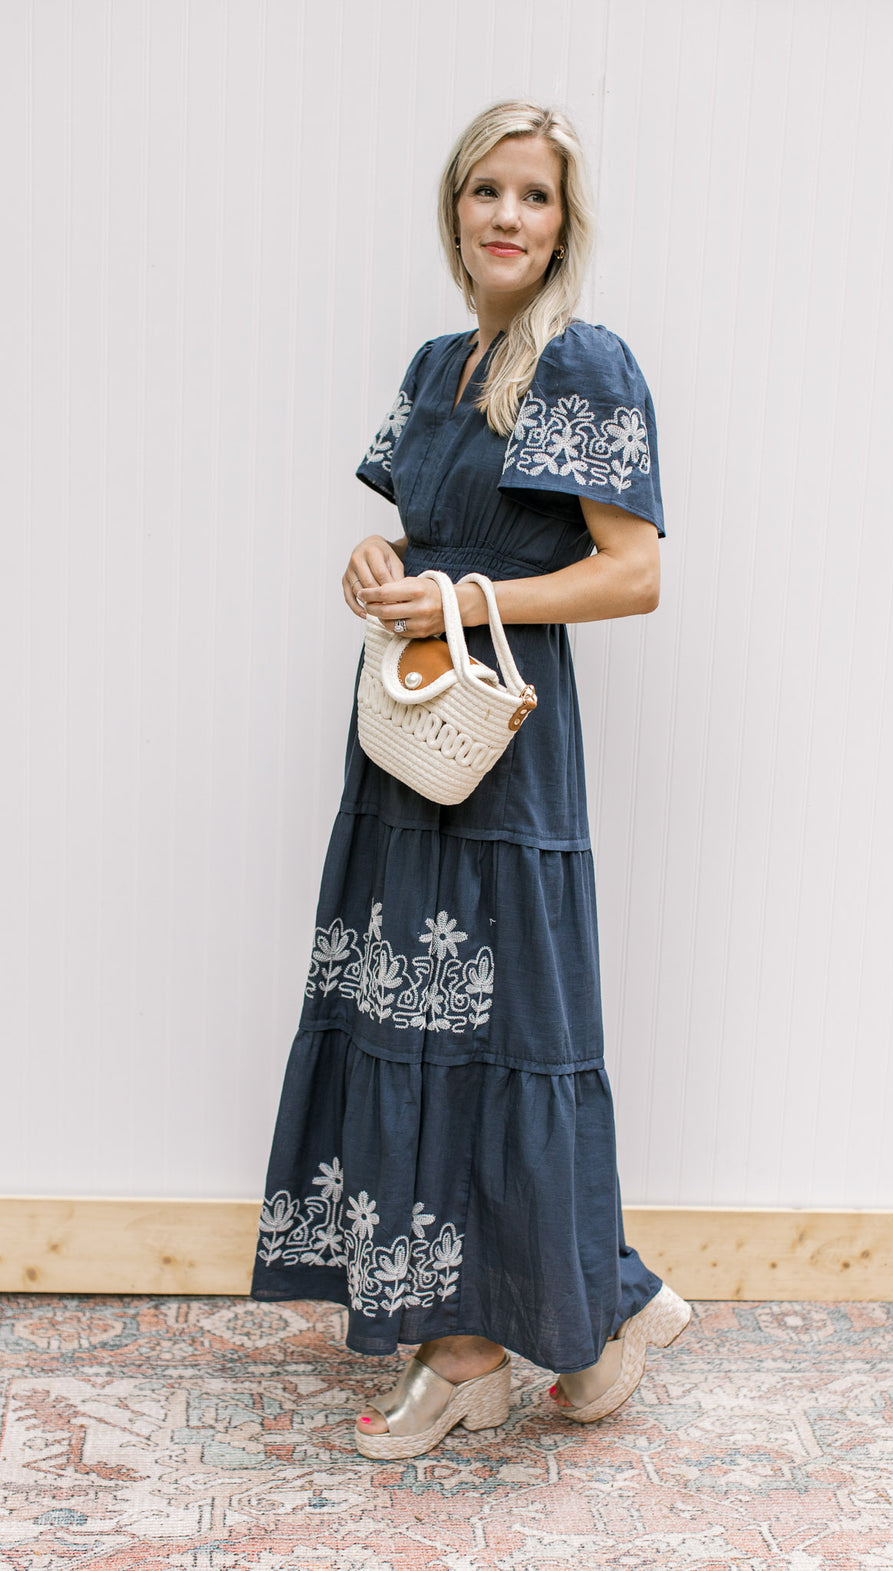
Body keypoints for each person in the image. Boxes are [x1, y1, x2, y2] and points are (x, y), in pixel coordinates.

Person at [251, 100, 690, 1461]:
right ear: (455, 210)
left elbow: (635, 573)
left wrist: (465, 596)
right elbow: (428, 537)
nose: (509, 215)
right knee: (408, 1034)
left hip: (506, 743)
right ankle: (513, 1340)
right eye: (487, 190)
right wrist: (381, 564)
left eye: (534, 196)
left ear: (564, 224)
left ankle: (532, 1331)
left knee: (507, 1041)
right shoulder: (438, 367)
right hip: (412, 733)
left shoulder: (583, 363)